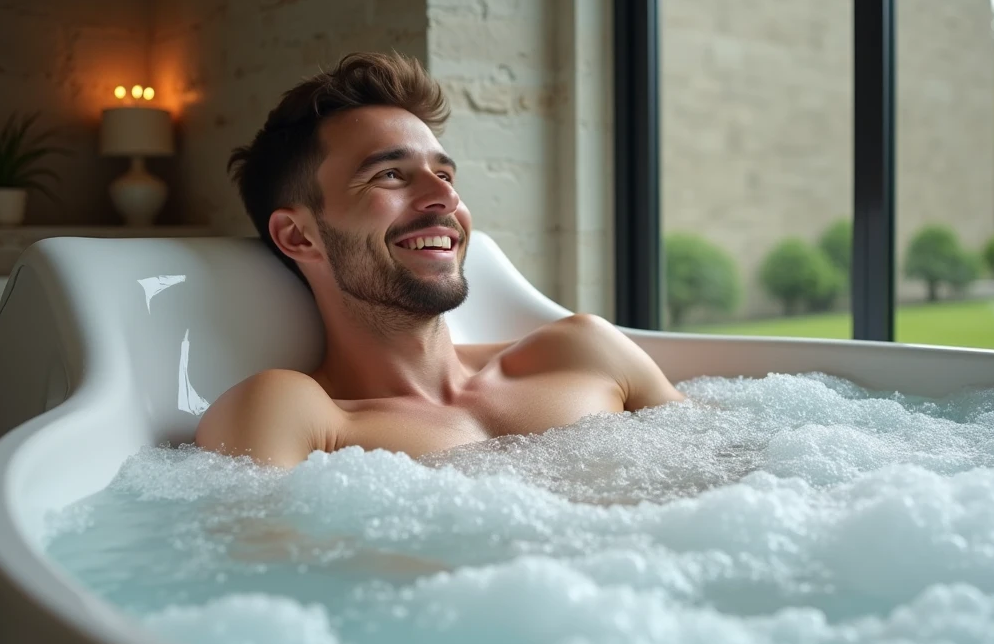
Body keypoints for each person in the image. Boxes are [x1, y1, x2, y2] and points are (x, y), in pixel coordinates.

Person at [195, 51, 684, 468]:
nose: (446, 199)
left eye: (445, 176)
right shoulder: (296, 414)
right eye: (389, 174)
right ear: (299, 236)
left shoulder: (584, 352)